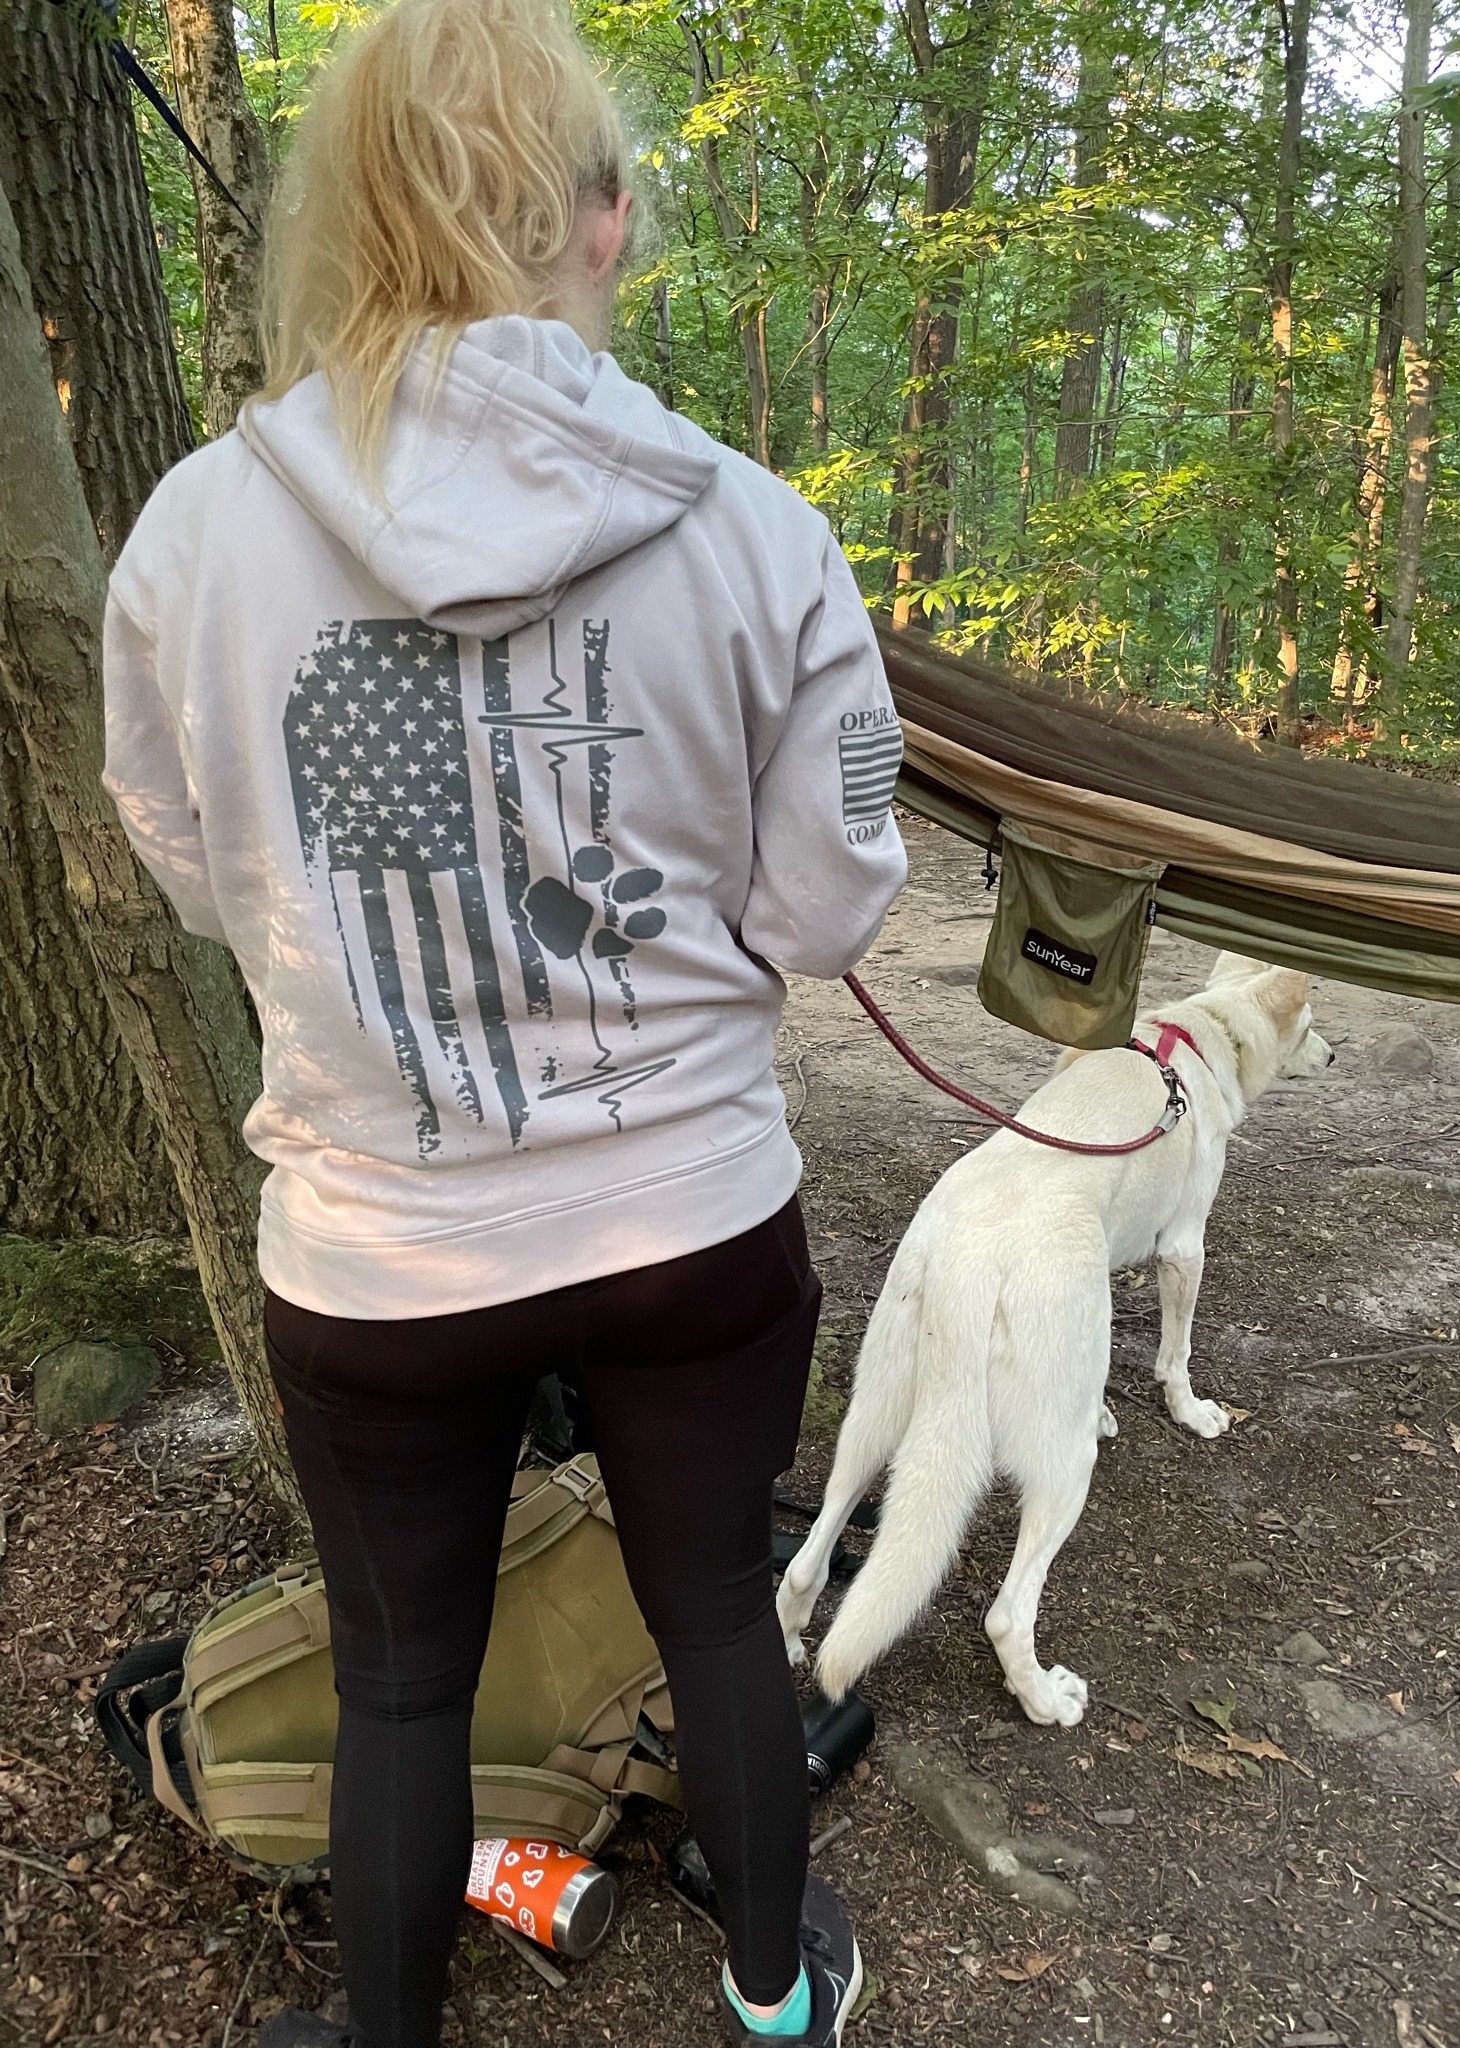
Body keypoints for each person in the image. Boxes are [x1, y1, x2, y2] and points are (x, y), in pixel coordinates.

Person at [101, 0, 906, 2042]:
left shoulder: (196, 534)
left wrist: (357, 988)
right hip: (693, 1220)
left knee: (395, 1675)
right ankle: (771, 1985)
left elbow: (202, 868)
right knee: (720, 1603)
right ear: (603, 223)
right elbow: (829, 903)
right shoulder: (755, 527)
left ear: (339, 226)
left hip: (376, 1246)